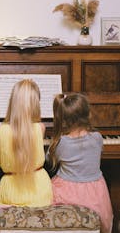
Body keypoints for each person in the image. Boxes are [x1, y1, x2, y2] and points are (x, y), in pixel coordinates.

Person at [0, 79, 53, 232]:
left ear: (12, 102)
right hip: (40, 190)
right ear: (36, 104)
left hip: (12, 193)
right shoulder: (41, 128)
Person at [47, 93, 113, 233]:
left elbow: (49, 159)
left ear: (64, 119)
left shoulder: (61, 142)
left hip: (66, 192)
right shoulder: (97, 138)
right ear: (88, 114)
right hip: (95, 193)